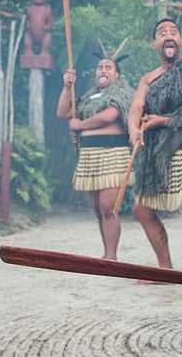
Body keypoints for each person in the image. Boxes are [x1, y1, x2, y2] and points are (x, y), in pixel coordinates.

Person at [127, 18, 182, 301]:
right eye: (161, 33)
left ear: (181, 41)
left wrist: (161, 121)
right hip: (159, 151)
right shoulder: (149, 78)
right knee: (141, 210)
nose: (168, 36)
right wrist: (134, 130)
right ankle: (165, 268)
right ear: (155, 44)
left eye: (173, 32)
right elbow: (136, 107)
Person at [56, 51, 133, 261]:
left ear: (117, 75)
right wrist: (67, 86)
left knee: (108, 207)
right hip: (90, 155)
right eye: (100, 67)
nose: (103, 70)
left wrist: (80, 125)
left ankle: (111, 257)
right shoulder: (89, 96)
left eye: (108, 67)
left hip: (112, 154)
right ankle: (107, 253)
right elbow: (63, 113)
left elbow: (111, 115)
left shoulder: (121, 93)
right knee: (98, 208)